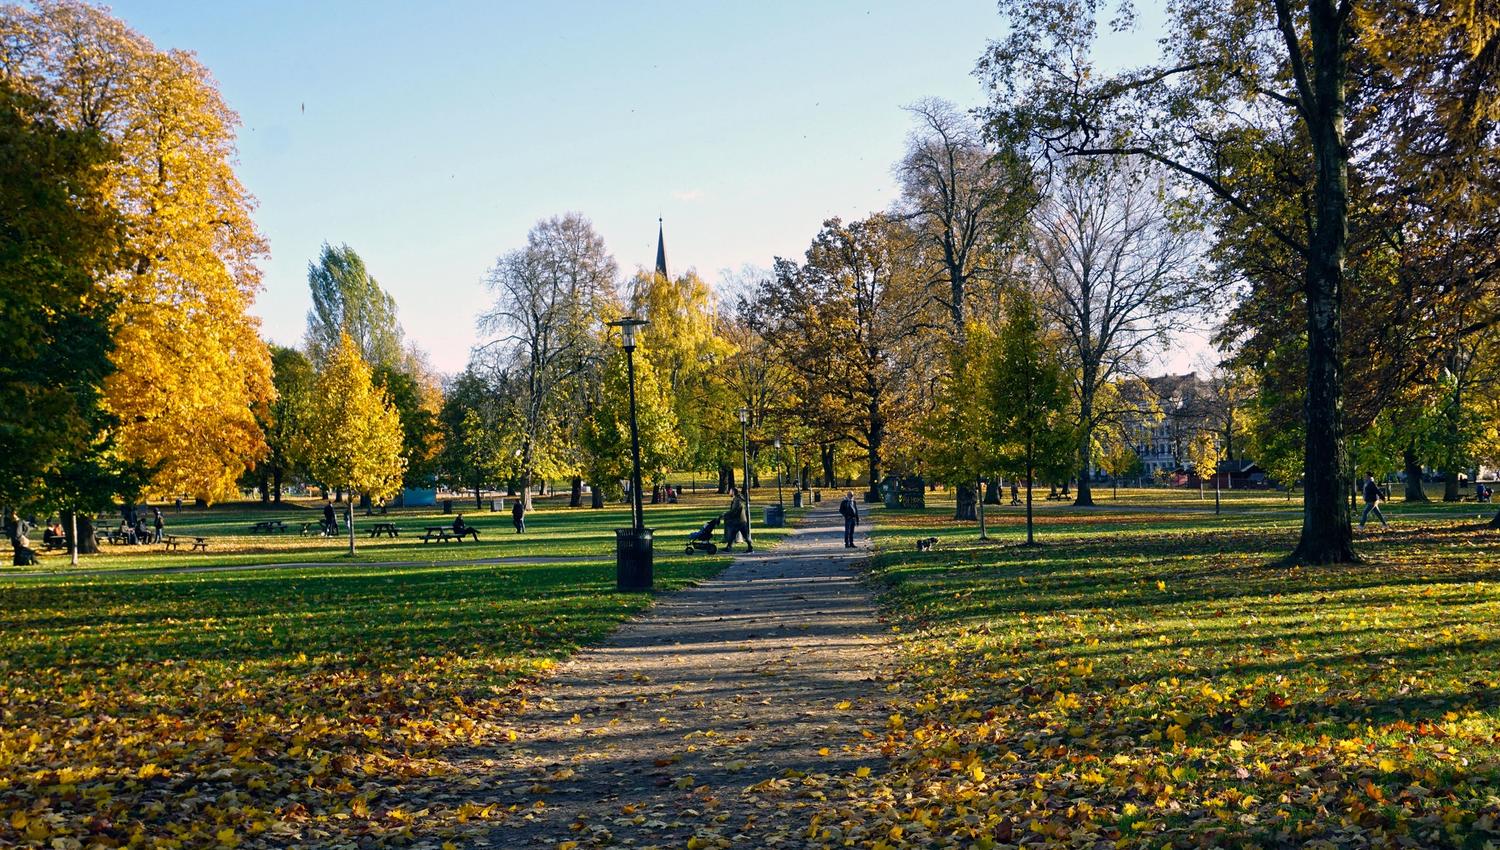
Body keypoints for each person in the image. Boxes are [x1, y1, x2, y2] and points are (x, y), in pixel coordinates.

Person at [723, 485, 752, 552]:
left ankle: (729, 547)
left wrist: (726, 514)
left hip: (739, 521)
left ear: (733, 492)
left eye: (730, 491)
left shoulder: (737, 500)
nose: (729, 492)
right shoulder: (736, 499)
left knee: (742, 535)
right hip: (739, 521)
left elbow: (735, 510)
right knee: (733, 534)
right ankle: (729, 547)